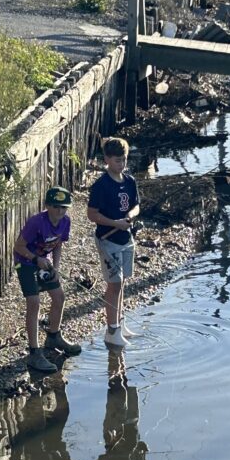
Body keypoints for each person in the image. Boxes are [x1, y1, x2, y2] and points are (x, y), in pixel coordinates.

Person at [14, 185, 82, 372]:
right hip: (26, 262)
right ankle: (34, 352)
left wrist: (57, 267)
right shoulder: (36, 222)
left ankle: (53, 336)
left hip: (46, 261)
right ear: (48, 206)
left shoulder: (65, 221)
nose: (60, 211)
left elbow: (58, 244)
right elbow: (19, 246)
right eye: (56, 206)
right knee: (34, 302)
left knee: (59, 297)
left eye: (64, 207)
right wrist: (37, 259)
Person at [87, 137, 140, 347]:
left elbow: (136, 206)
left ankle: (120, 322)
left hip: (127, 238)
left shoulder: (130, 181)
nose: (122, 164)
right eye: (118, 160)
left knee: (123, 282)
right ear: (107, 160)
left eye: (124, 159)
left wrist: (130, 215)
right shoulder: (101, 185)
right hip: (108, 240)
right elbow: (92, 215)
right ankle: (111, 330)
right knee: (114, 283)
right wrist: (114, 223)